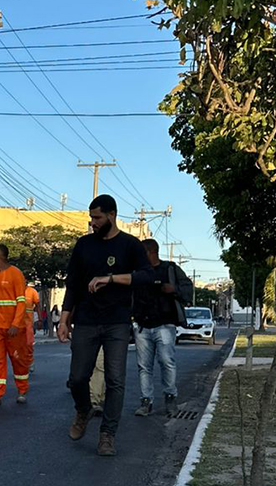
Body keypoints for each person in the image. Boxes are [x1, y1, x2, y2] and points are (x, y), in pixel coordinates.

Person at [57, 195, 152, 457]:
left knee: (115, 380)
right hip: (86, 320)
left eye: (97, 218)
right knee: (77, 378)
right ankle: (83, 409)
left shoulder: (130, 245)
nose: (93, 223)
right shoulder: (84, 245)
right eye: (91, 218)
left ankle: (108, 435)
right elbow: (73, 283)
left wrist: (111, 279)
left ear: (112, 215)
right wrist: (64, 319)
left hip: (117, 322)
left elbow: (146, 276)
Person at [132, 238, 193, 416]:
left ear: (151, 252)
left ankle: (170, 398)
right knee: (144, 366)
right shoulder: (138, 272)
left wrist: (173, 289)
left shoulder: (170, 269)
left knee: (167, 362)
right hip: (142, 325)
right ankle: (146, 401)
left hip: (165, 325)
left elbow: (188, 288)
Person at [0, 244, 30, 406]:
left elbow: (21, 301)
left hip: (14, 327)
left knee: (18, 359)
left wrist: (15, 324)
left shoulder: (16, 274)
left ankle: (22, 390)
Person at [24, 282, 41, 372]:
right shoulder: (15, 290)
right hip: (16, 324)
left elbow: (38, 306)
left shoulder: (32, 292)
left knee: (28, 344)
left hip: (28, 323)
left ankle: (30, 362)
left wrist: (40, 319)